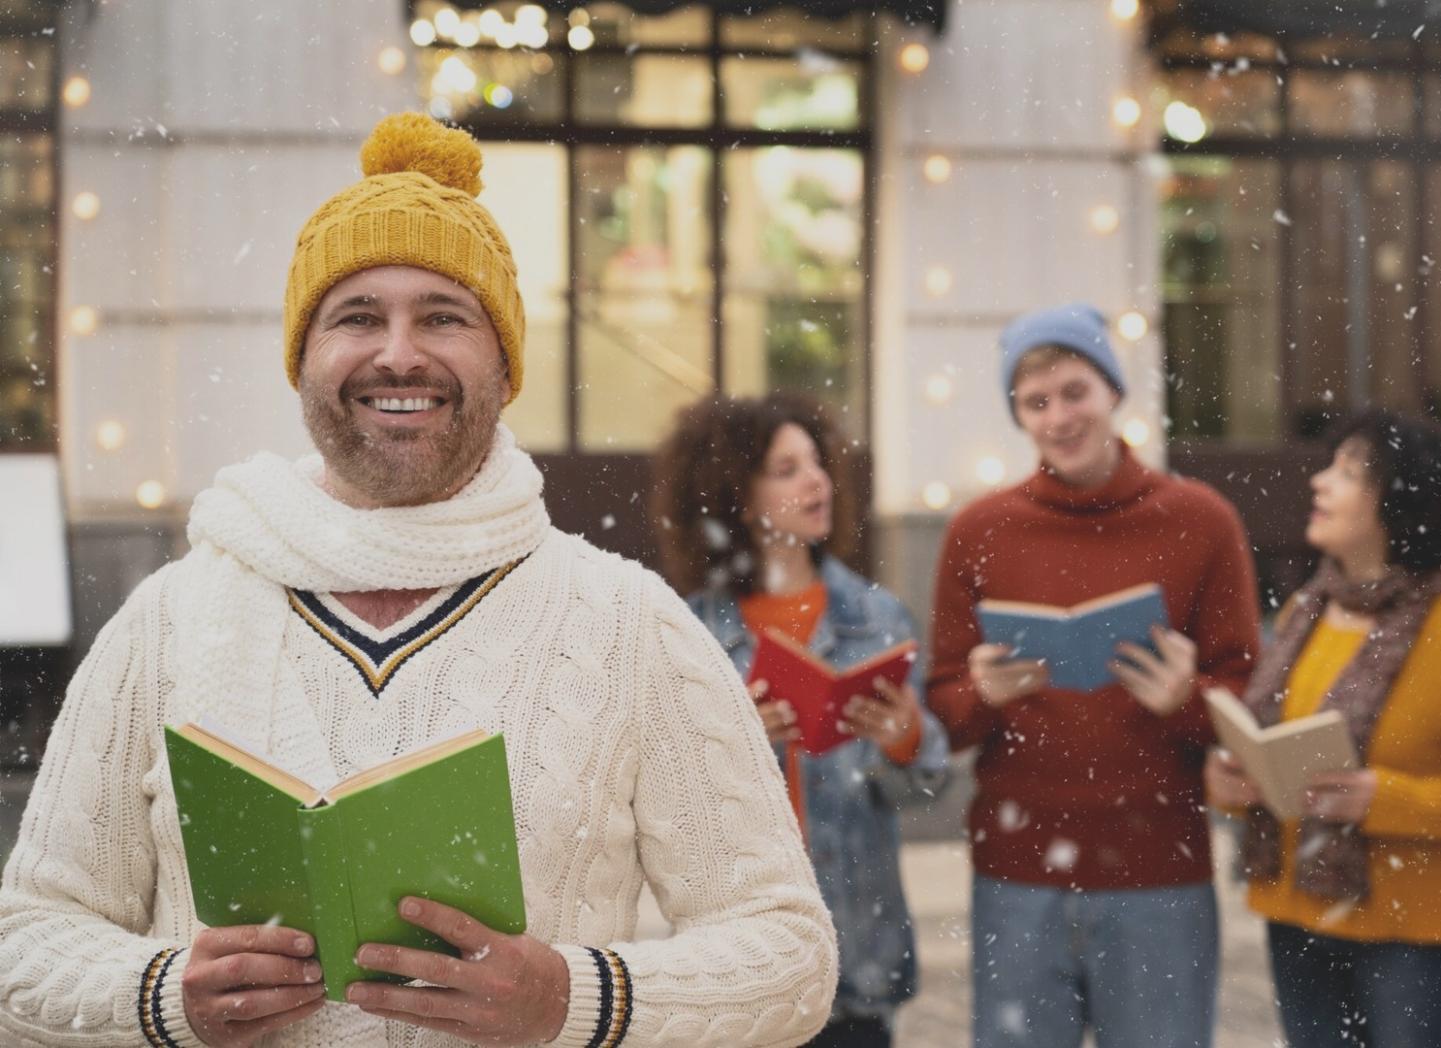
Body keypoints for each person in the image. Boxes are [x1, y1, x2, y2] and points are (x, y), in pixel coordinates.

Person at [0, 113, 836, 1048]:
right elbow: (26, 943)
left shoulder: (627, 621)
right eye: (356, 317)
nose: (399, 353)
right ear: (304, 360)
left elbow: (789, 954)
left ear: (505, 363)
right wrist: (162, 997)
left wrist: (575, 998)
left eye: (444, 316)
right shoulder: (170, 618)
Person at [925, 303, 1261, 1048]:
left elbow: (1247, 696)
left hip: (1157, 871)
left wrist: (1187, 700)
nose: (1057, 417)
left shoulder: (1200, 521)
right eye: (1034, 402)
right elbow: (940, 712)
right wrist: (981, 693)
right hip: (1017, 872)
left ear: (1113, 390)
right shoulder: (978, 531)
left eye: (1074, 392)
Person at [1204, 410, 1441, 1048]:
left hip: (1413, 935)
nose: (1319, 483)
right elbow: (1280, 747)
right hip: (1299, 914)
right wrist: (1236, 780)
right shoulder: (1306, 614)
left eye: (1345, 473)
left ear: (1399, 503)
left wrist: (1387, 799)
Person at [651, 392, 948, 1048]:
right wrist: (733, 745)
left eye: (816, 464)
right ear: (737, 495)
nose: (817, 481)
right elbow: (661, 811)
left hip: (854, 961)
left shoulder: (877, 619)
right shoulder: (690, 631)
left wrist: (906, 742)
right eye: (786, 470)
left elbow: (927, 791)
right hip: (735, 964)